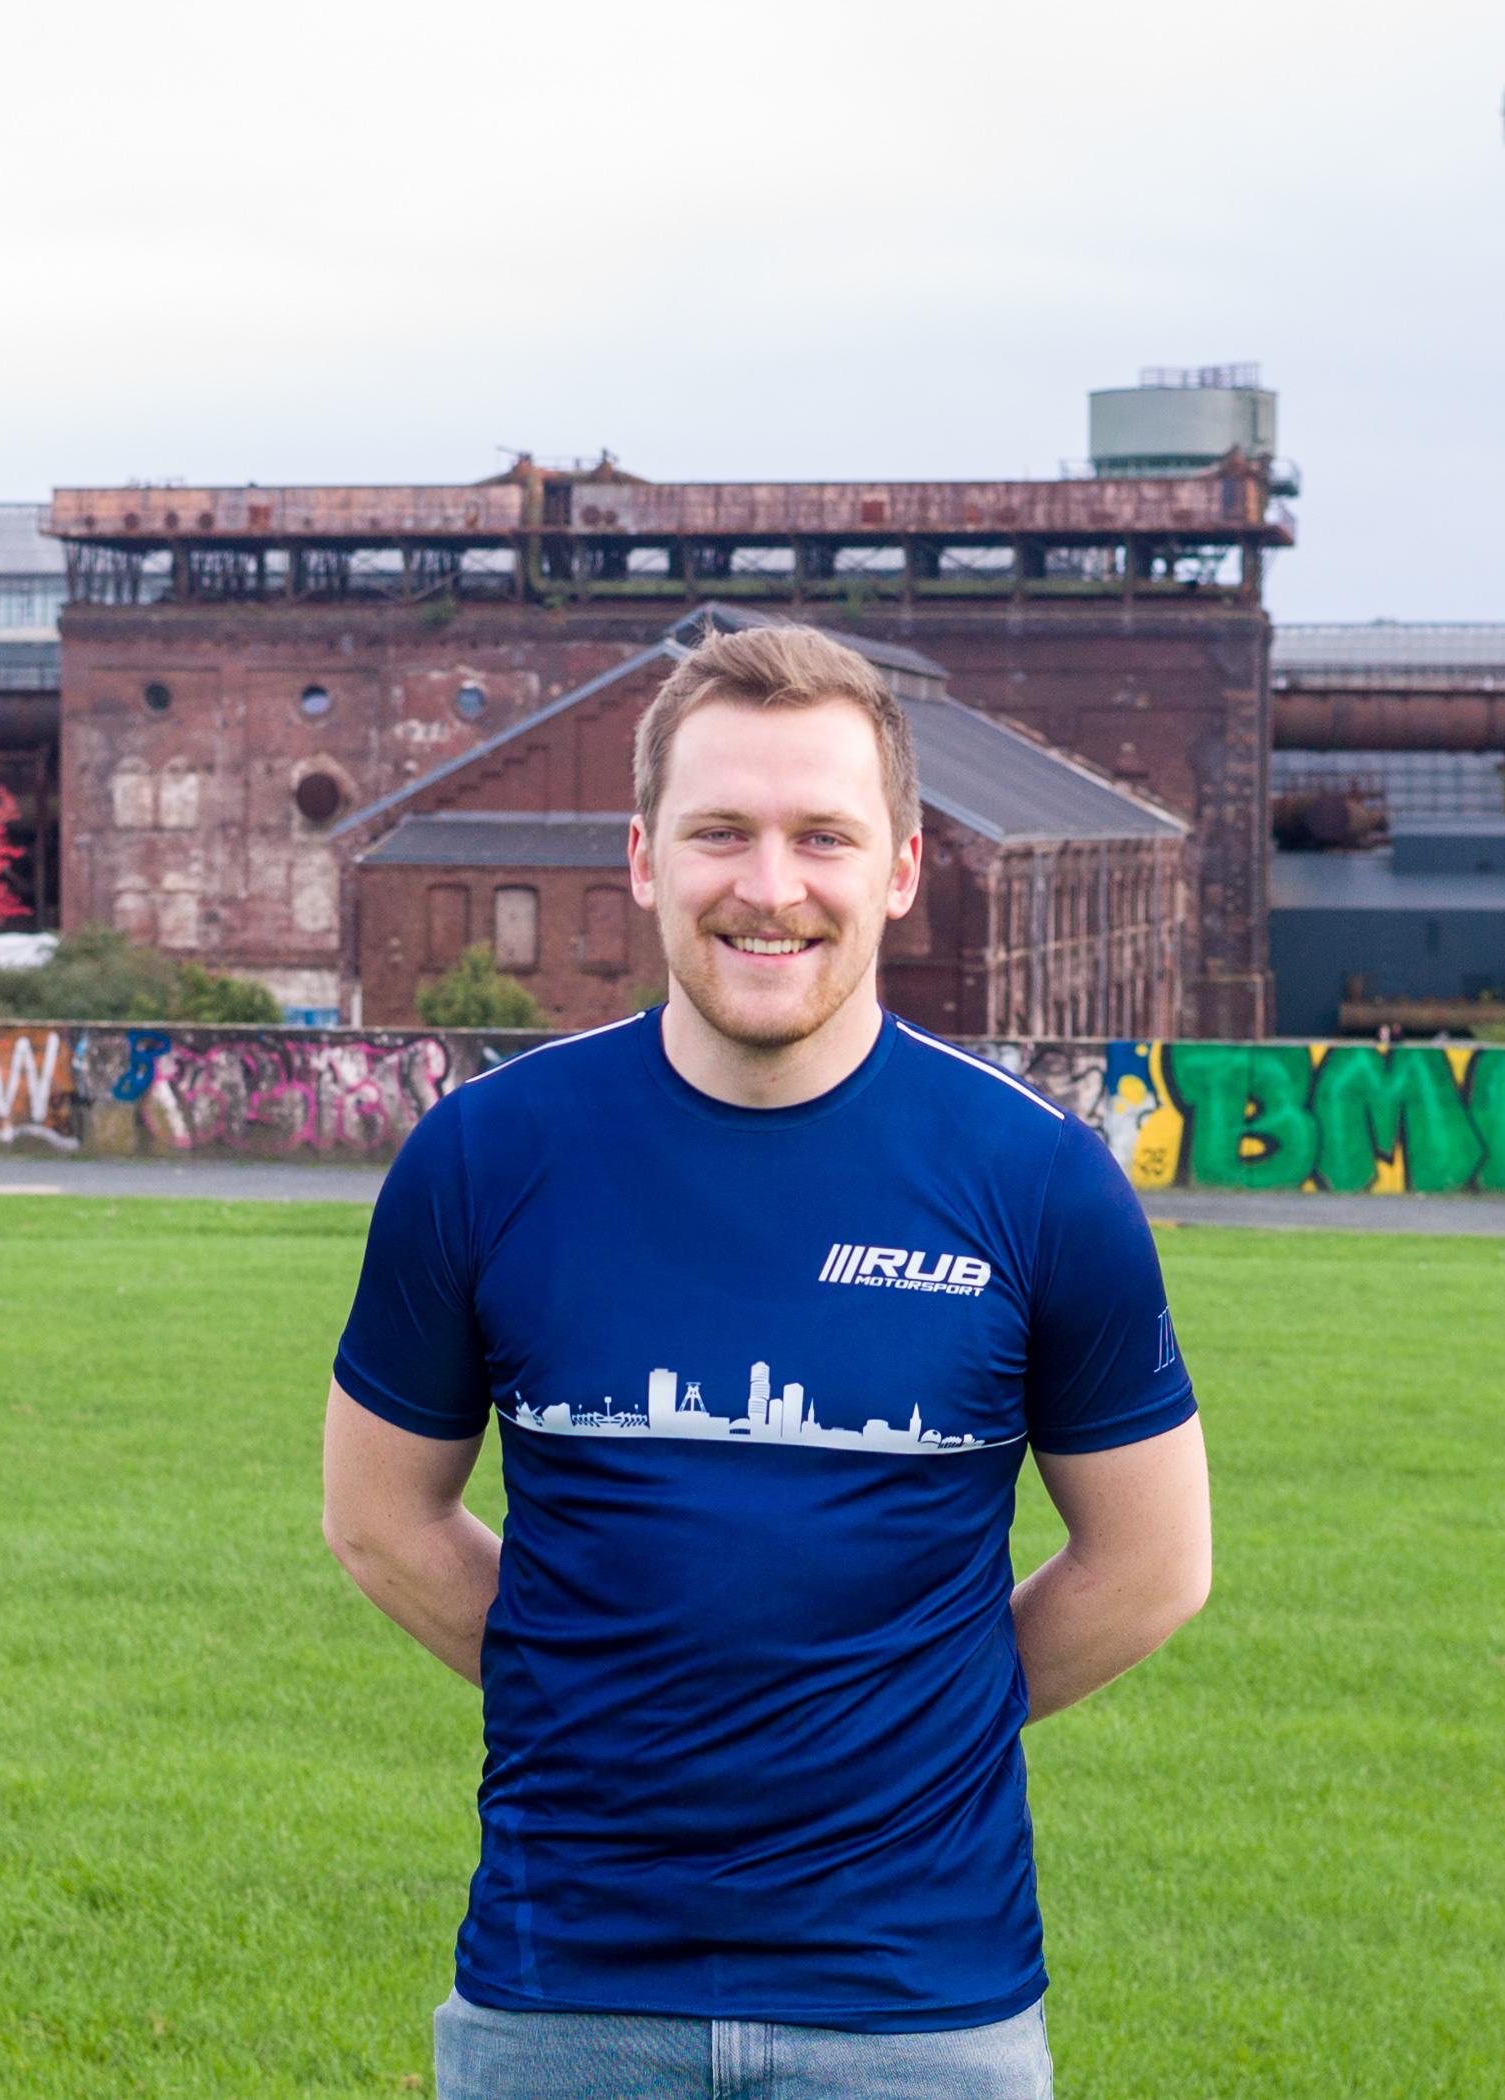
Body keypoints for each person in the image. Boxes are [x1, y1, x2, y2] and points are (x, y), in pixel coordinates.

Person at [323, 625, 1211, 2099]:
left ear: (903, 869)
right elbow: (377, 1518)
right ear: (644, 858)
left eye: (824, 837)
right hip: (565, 1998)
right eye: (720, 832)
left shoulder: (1039, 1181)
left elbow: (1154, 1566)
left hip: (921, 2012)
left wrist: (906, 1723)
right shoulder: (484, 1155)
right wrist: (597, 1689)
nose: (771, 885)